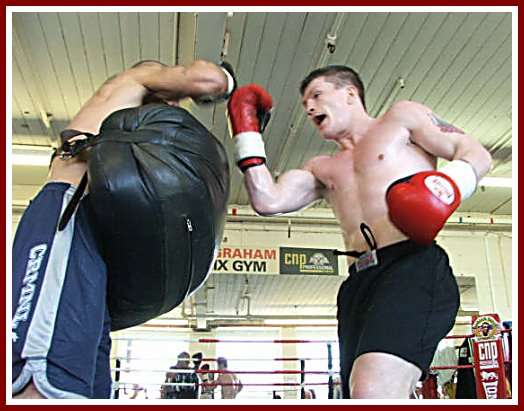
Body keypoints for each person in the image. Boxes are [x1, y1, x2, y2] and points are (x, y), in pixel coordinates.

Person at [226, 65, 492, 398]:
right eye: (305, 103)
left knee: (371, 390)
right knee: (361, 394)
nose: (309, 107)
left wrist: (446, 186)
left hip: (411, 267)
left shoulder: (401, 119)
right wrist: (247, 134)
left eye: (317, 95)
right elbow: (268, 200)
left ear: (350, 93)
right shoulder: (321, 167)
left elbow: (476, 154)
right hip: (359, 284)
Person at [12, 59, 234, 399]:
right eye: (173, 101)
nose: (174, 108)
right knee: (42, 376)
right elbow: (208, 80)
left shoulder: (126, 163)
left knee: (84, 388)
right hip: (66, 216)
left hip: (93, 242)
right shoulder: (135, 78)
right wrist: (231, 84)